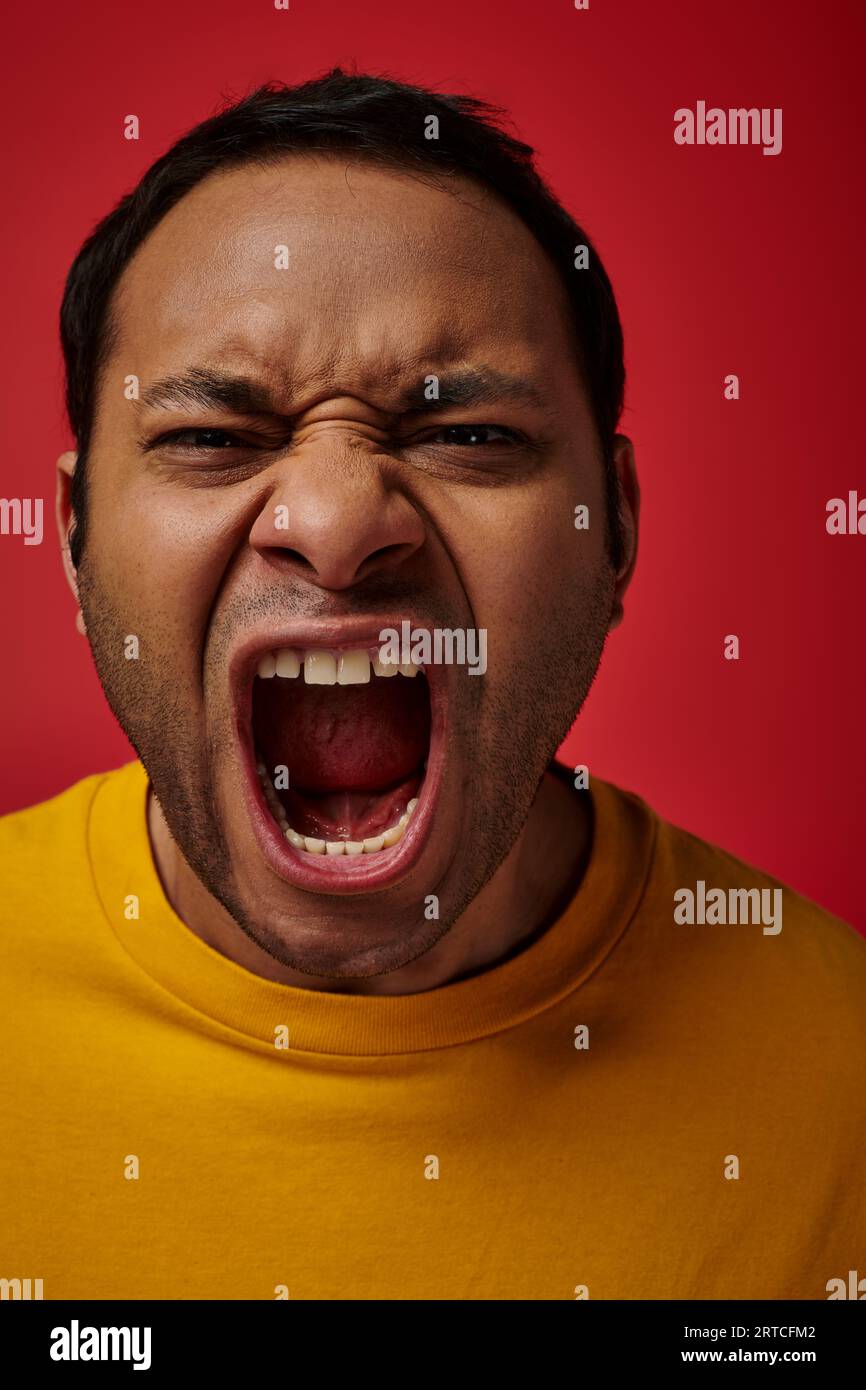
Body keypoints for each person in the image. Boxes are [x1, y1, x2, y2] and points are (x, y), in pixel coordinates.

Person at [1, 69, 863, 1301]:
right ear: (74, 533)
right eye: (211, 439)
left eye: (466, 436)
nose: (340, 521)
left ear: (611, 527)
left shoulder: (844, 1082)